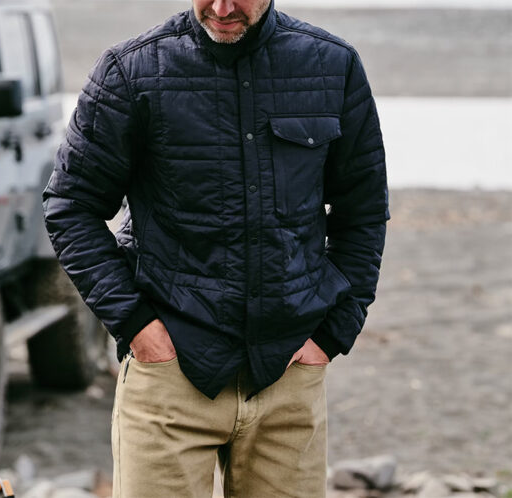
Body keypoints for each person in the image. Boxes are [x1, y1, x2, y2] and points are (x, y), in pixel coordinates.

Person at [43, 0, 389, 496]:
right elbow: (70, 205)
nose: (222, 8)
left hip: (288, 377)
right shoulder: (129, 71)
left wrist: (333, 335)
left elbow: (364, 213)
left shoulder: (332, 66)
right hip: (169, 374)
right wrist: (137, 326)